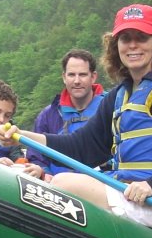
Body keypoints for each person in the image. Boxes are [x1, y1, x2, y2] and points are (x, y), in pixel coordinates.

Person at [0, 4, 152, 238]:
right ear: (117, 47)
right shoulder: (118, 96)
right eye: (125, 38)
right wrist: (20, 136)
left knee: (63, 182)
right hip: (132, 197)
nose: (133, 45)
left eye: (141, 37)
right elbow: (80, 147)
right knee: (23, 173)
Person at [27, 49, 105, 178]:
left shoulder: (110, 108)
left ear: (93, 77)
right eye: (71, 75)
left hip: (100, 186)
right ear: (64, 77)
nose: (77, 81)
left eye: (83, 74)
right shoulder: (48, 115)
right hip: (57, 189)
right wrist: (43, 172)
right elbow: (36, 157)